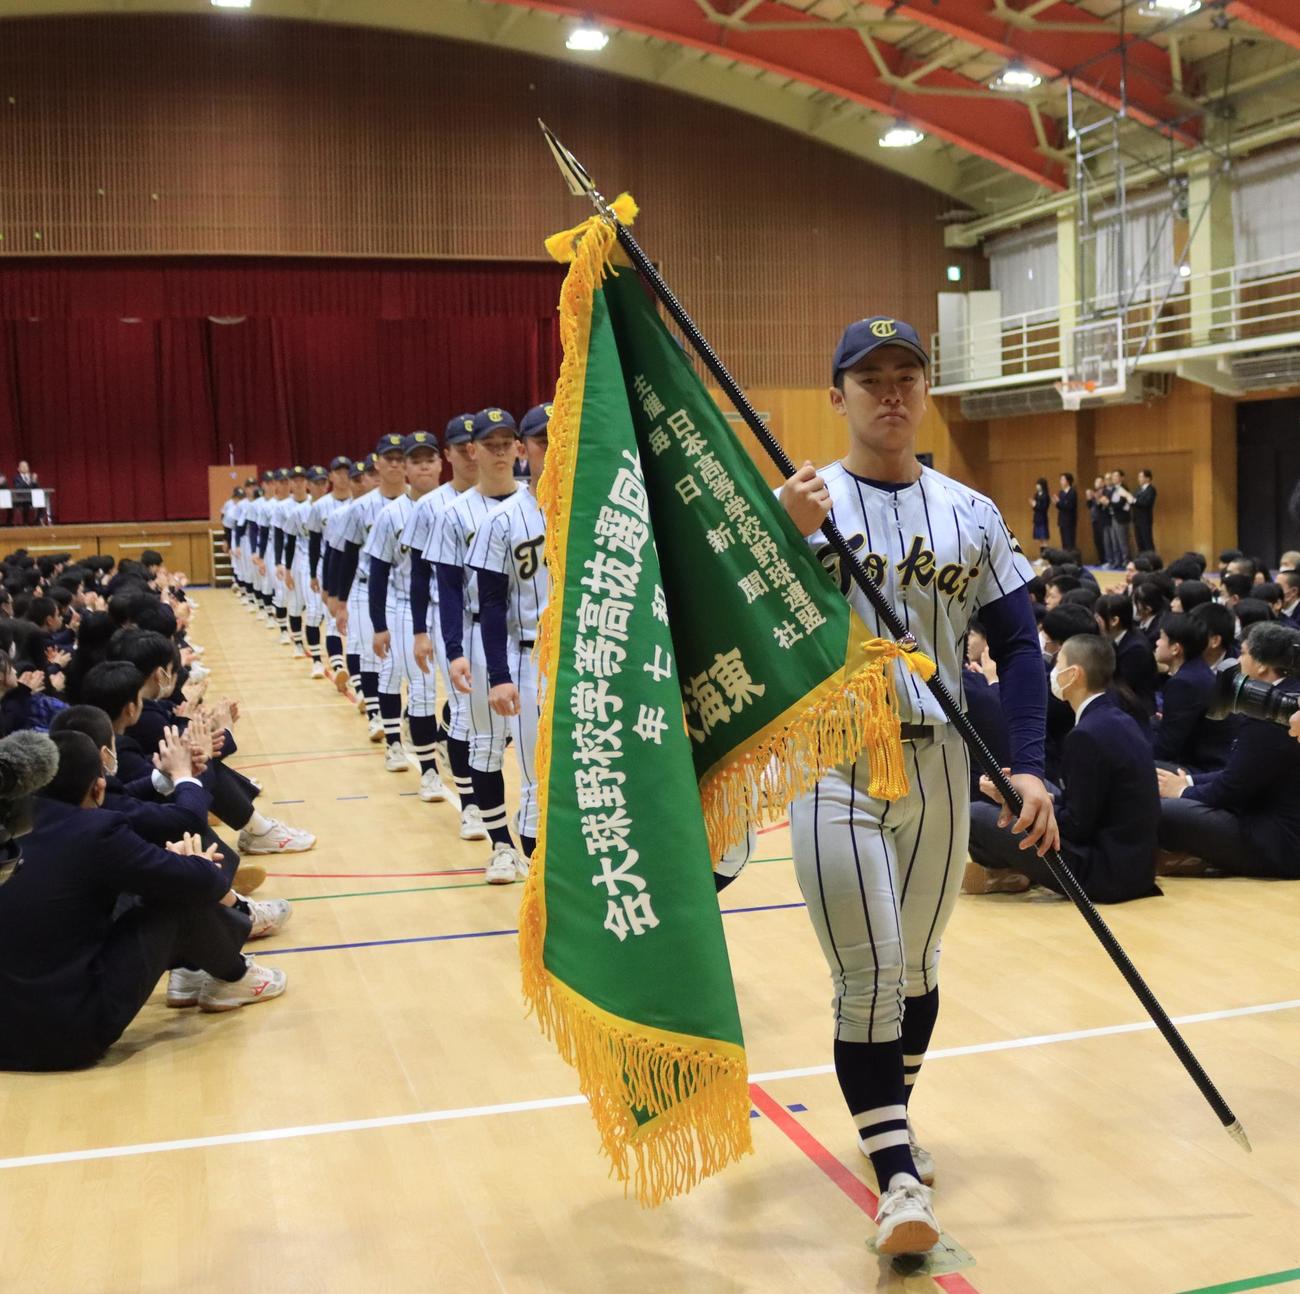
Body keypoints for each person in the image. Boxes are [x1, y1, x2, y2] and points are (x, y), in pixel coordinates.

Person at [776, 316, 1054, 1255]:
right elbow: (737, 619)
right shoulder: (798, 503)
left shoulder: (971, 512)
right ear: (838, 395)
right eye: (871, 378)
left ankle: (885, 1117)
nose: (890, 392)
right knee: (871, 973)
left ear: (927, 390)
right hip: (834, 760)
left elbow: (1020, 647)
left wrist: (1027, 764)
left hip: (939, 760)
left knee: (920, 971)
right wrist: (781, 539)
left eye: (907, 376)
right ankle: (897, 1180)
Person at [0, 731, 290, 1071]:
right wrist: (188, 863)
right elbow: (201, 881)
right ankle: (236, 974)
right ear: (98, 788)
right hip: (69, 1037)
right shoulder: (97, 831)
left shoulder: (14, 825)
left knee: (140, 883)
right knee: (174, 897)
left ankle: (192, 970)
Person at [968, 635, 1160, 902]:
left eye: (1059, 664)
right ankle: (1015, 869)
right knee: (1035, 785)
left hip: (1102, 874)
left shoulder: (1087, 734)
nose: (1053, 671)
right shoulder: (1118, 718)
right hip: (1134, 866)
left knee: (975, 814)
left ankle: (1009, 871)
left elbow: (1075, 826)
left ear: (1073, 674)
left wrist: (1015, 801)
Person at [437, 408, 532, 884]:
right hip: (480, 633)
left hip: (535, 639)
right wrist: (454, 649)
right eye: (489, 445)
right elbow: (449, 588)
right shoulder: (456, 512)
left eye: (505, 443)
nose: (498, 453)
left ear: (518, 448)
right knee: (488, 742)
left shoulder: (540, 503)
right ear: (472, 450)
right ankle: (500, 846)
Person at [467, 402, 551, 878]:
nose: (553, 449)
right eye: (542, 441)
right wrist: (499, 676)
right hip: (529, 659)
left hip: (589, 660)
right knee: (538, 782)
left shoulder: (594, 509)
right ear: (524, 449)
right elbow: (492, 604)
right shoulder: (503, 520)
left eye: (561, 439)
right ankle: (541, 887)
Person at [1157, 622, 1300, 878]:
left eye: (1243, 653)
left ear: (1261, 665)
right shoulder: (1288, 696)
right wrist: (1188, 781)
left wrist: (1181, 791)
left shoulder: (1273, 713)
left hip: (1278, 843)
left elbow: (1231, 789)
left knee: (1165, 809)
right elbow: (1240, 772)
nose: (1237, 660)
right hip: (1268, 818)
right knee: (1166, 777)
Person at [409, 416, 485, 832]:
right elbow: (421, 574)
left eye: (476, 445)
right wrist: (421, 631)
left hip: (503, 622)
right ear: (449, 455)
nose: (471, 454)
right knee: (465, 711)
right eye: (462, 447)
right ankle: (471, 804)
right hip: (453, 618)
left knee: (501, 717)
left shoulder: (507, 498)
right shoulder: (432, 507)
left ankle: (446, 738)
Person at [367, 432, 443, 780]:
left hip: (451, 608)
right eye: (416, 460)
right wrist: (379, 624)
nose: (424, 466)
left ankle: (443, 737)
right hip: (404, 607)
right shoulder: (391, 514)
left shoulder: (455, 505)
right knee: (412, 682)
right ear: (407, 470)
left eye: (429, 459)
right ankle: (418, 762)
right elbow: (379, 572)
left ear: (441, 463)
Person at [1152, 613, 1233, 772]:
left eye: (1161, 638)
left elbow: (1166, 749)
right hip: (1209, 759)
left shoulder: (1184, 683)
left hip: (1202, 768)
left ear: (1176, 649)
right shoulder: (1197, 670)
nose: (1157, 642)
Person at [1095, 591, 1158, 717]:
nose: (1096, 622)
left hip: (1137, 708)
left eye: (1098, 618)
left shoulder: (1136, 649)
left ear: (1114, 621)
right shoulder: (1120, 636)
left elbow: (1123, 686)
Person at [1086, 476, 1109, 567]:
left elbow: (1101, 506)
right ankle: (1101, 559)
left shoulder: (1105, 492)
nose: (1096, 483)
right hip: (1095, 520)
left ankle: (1107, 560)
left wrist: (1097, 498)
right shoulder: (1095, 492)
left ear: (1103, 483)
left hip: (1103, 520)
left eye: (1099, 481)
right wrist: (1089, 498)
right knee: (1097, 541)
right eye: (1096, 481)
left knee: (1104, 541)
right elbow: (1090, 506)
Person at [1132, 469, 1157, 553]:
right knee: (1139, 541)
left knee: (1147, 541)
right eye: (1139, 477)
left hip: (1145, 519)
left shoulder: (1151, 490)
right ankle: (1142, 559)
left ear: (1147, 478)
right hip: (1137, 519)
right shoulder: (1138, 489)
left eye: (1141, 476)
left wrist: (1134, 501)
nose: (1139, 479)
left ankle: (1151, 559)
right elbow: (1133, 500)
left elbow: (1146, 503)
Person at [1053, 472, 1077, 553]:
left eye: (1062, 479)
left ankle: (1070, 558)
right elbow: (1061, 506)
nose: (1061, 481)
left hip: (1070, 520)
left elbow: (1070, 506)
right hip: (1062, 520)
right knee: (1064, 542)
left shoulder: (1072, 492)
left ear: (1068, 481)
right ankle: (1064, 558)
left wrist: (1059, 502)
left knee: (1070, 541)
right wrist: (1057, 503)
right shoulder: (1061, 492)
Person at [1030, 477, 1050, 552]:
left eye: (1039, 484)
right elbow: (1035, 508)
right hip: (1037, 518)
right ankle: (1042, 555)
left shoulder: (1046, 495)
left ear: (1042, 485)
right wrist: (1034, 505)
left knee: (1044, 538)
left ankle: (1045, 556)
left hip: (1043, 518)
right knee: (1040, 539)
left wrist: (1036, 504)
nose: (1037, 486)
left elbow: (1044, 507)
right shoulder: (1036, 495)